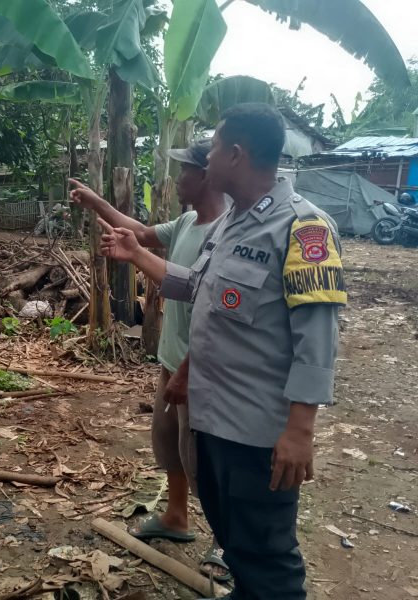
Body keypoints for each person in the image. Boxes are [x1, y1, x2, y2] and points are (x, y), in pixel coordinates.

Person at [98, 103, 346, 600]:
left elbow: (317, 336)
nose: (205, 159)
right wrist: (137, 253)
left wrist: (300, 430)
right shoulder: (232, 222)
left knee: (268, 555)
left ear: (236, 154)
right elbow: (198, 286)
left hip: (256, 433)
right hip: (213, 421)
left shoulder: (304, 230)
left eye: (211, 148)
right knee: (236, 542)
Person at [69, 140, 230, 581]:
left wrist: (189, 368)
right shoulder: (187, 222)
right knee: (167, 443)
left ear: (205, 177)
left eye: (184, 172)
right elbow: (138, 234)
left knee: (206, 459)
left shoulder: (229, 233)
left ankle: (227, 543)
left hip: (202, 365)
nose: (177, 179)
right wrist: (95, 202)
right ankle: (176, 516)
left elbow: (219, 309)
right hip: (172, 357)